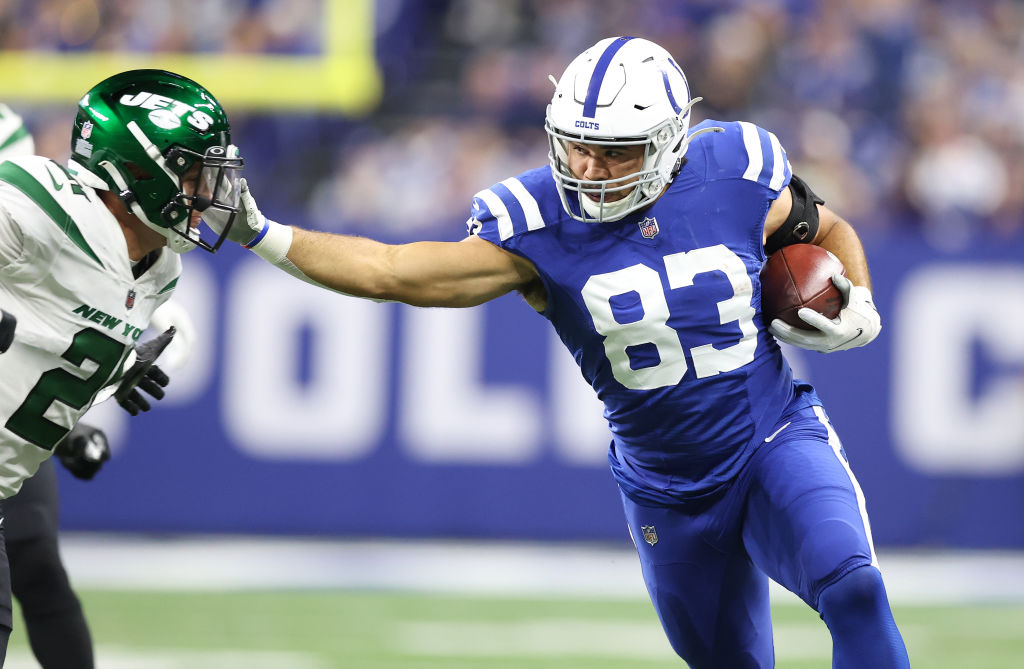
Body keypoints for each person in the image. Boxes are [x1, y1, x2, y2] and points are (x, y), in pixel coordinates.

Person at [217, 36, 910, 667]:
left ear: (671, 141)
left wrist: (862, 298)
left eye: (614, 150)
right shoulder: (535, 222)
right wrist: (261, 231)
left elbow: (828, 226)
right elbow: (392, 271)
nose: (587, 166)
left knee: (853, 586)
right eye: (577, 144)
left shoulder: (733, 169)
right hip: (665, 488)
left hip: (773, 441)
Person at [0, 70, 242, 667]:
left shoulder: (158, 270)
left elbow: (42, 336)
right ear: (137, 168)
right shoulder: (39, 202)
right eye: (193, 174)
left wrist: (104, 378)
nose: (209, 193)